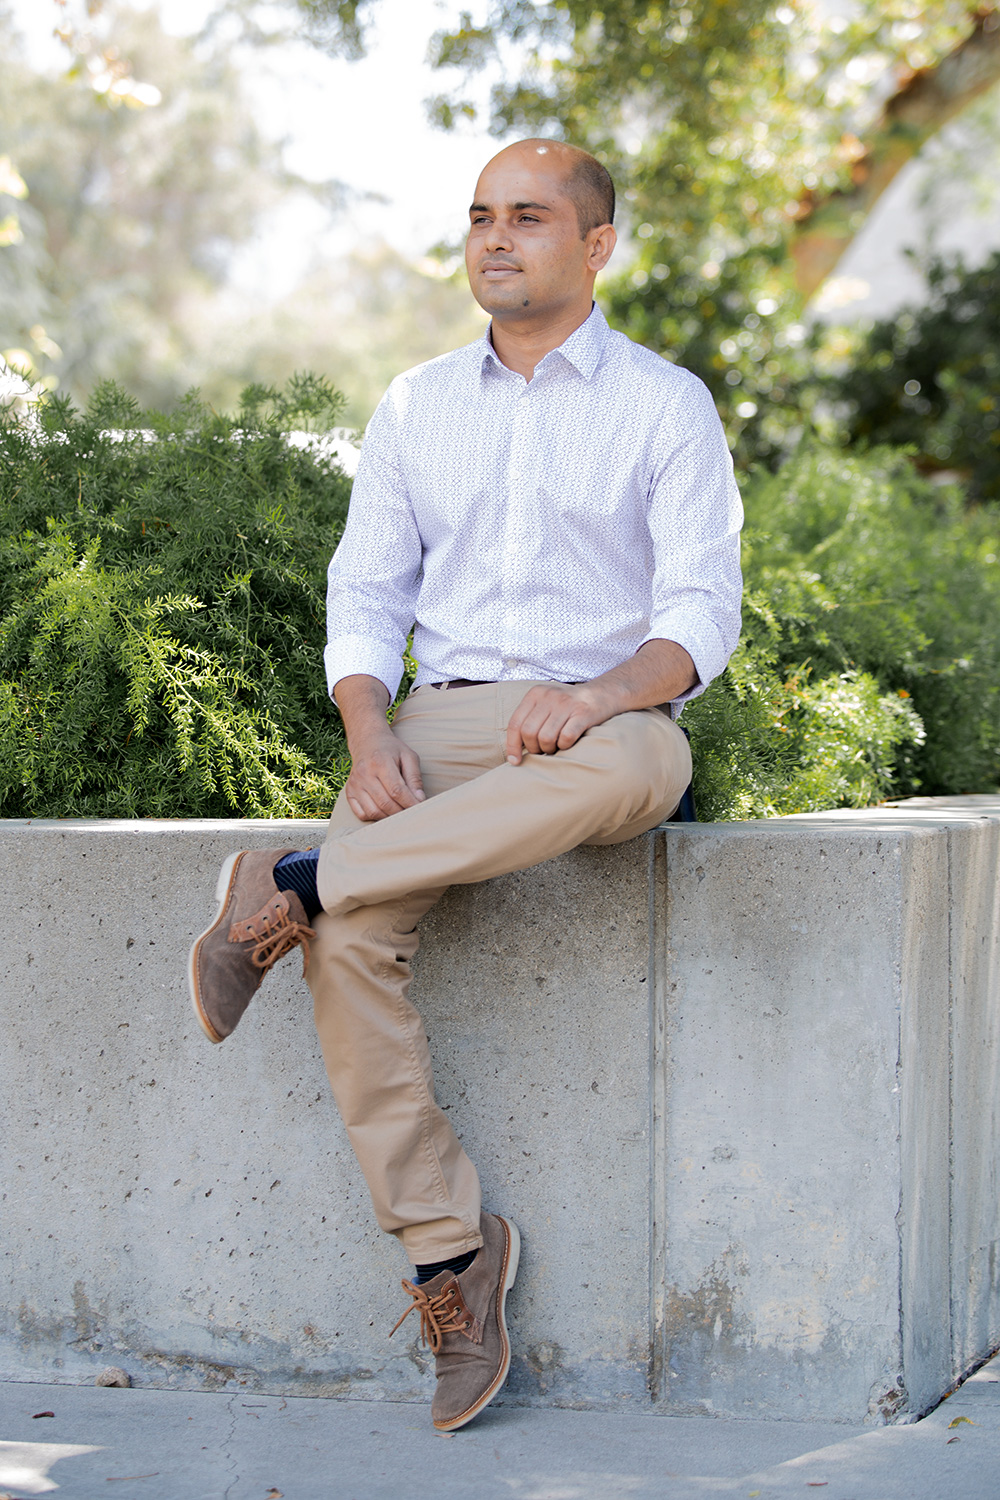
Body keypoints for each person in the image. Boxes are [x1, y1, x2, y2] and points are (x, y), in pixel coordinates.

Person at [188, 138, 742, 1432]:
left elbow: (701, 616)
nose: (497, 238)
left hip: (594, 720)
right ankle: (452, 1256)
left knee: (654, 760)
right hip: (433, 722)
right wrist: (367, 733)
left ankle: (297, 884)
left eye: (531, 217)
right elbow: (367, 596)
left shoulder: (665, 406)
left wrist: (606, 693)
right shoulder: (416, 402)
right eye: (482, 216)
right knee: (351, 947)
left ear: (597, 245)